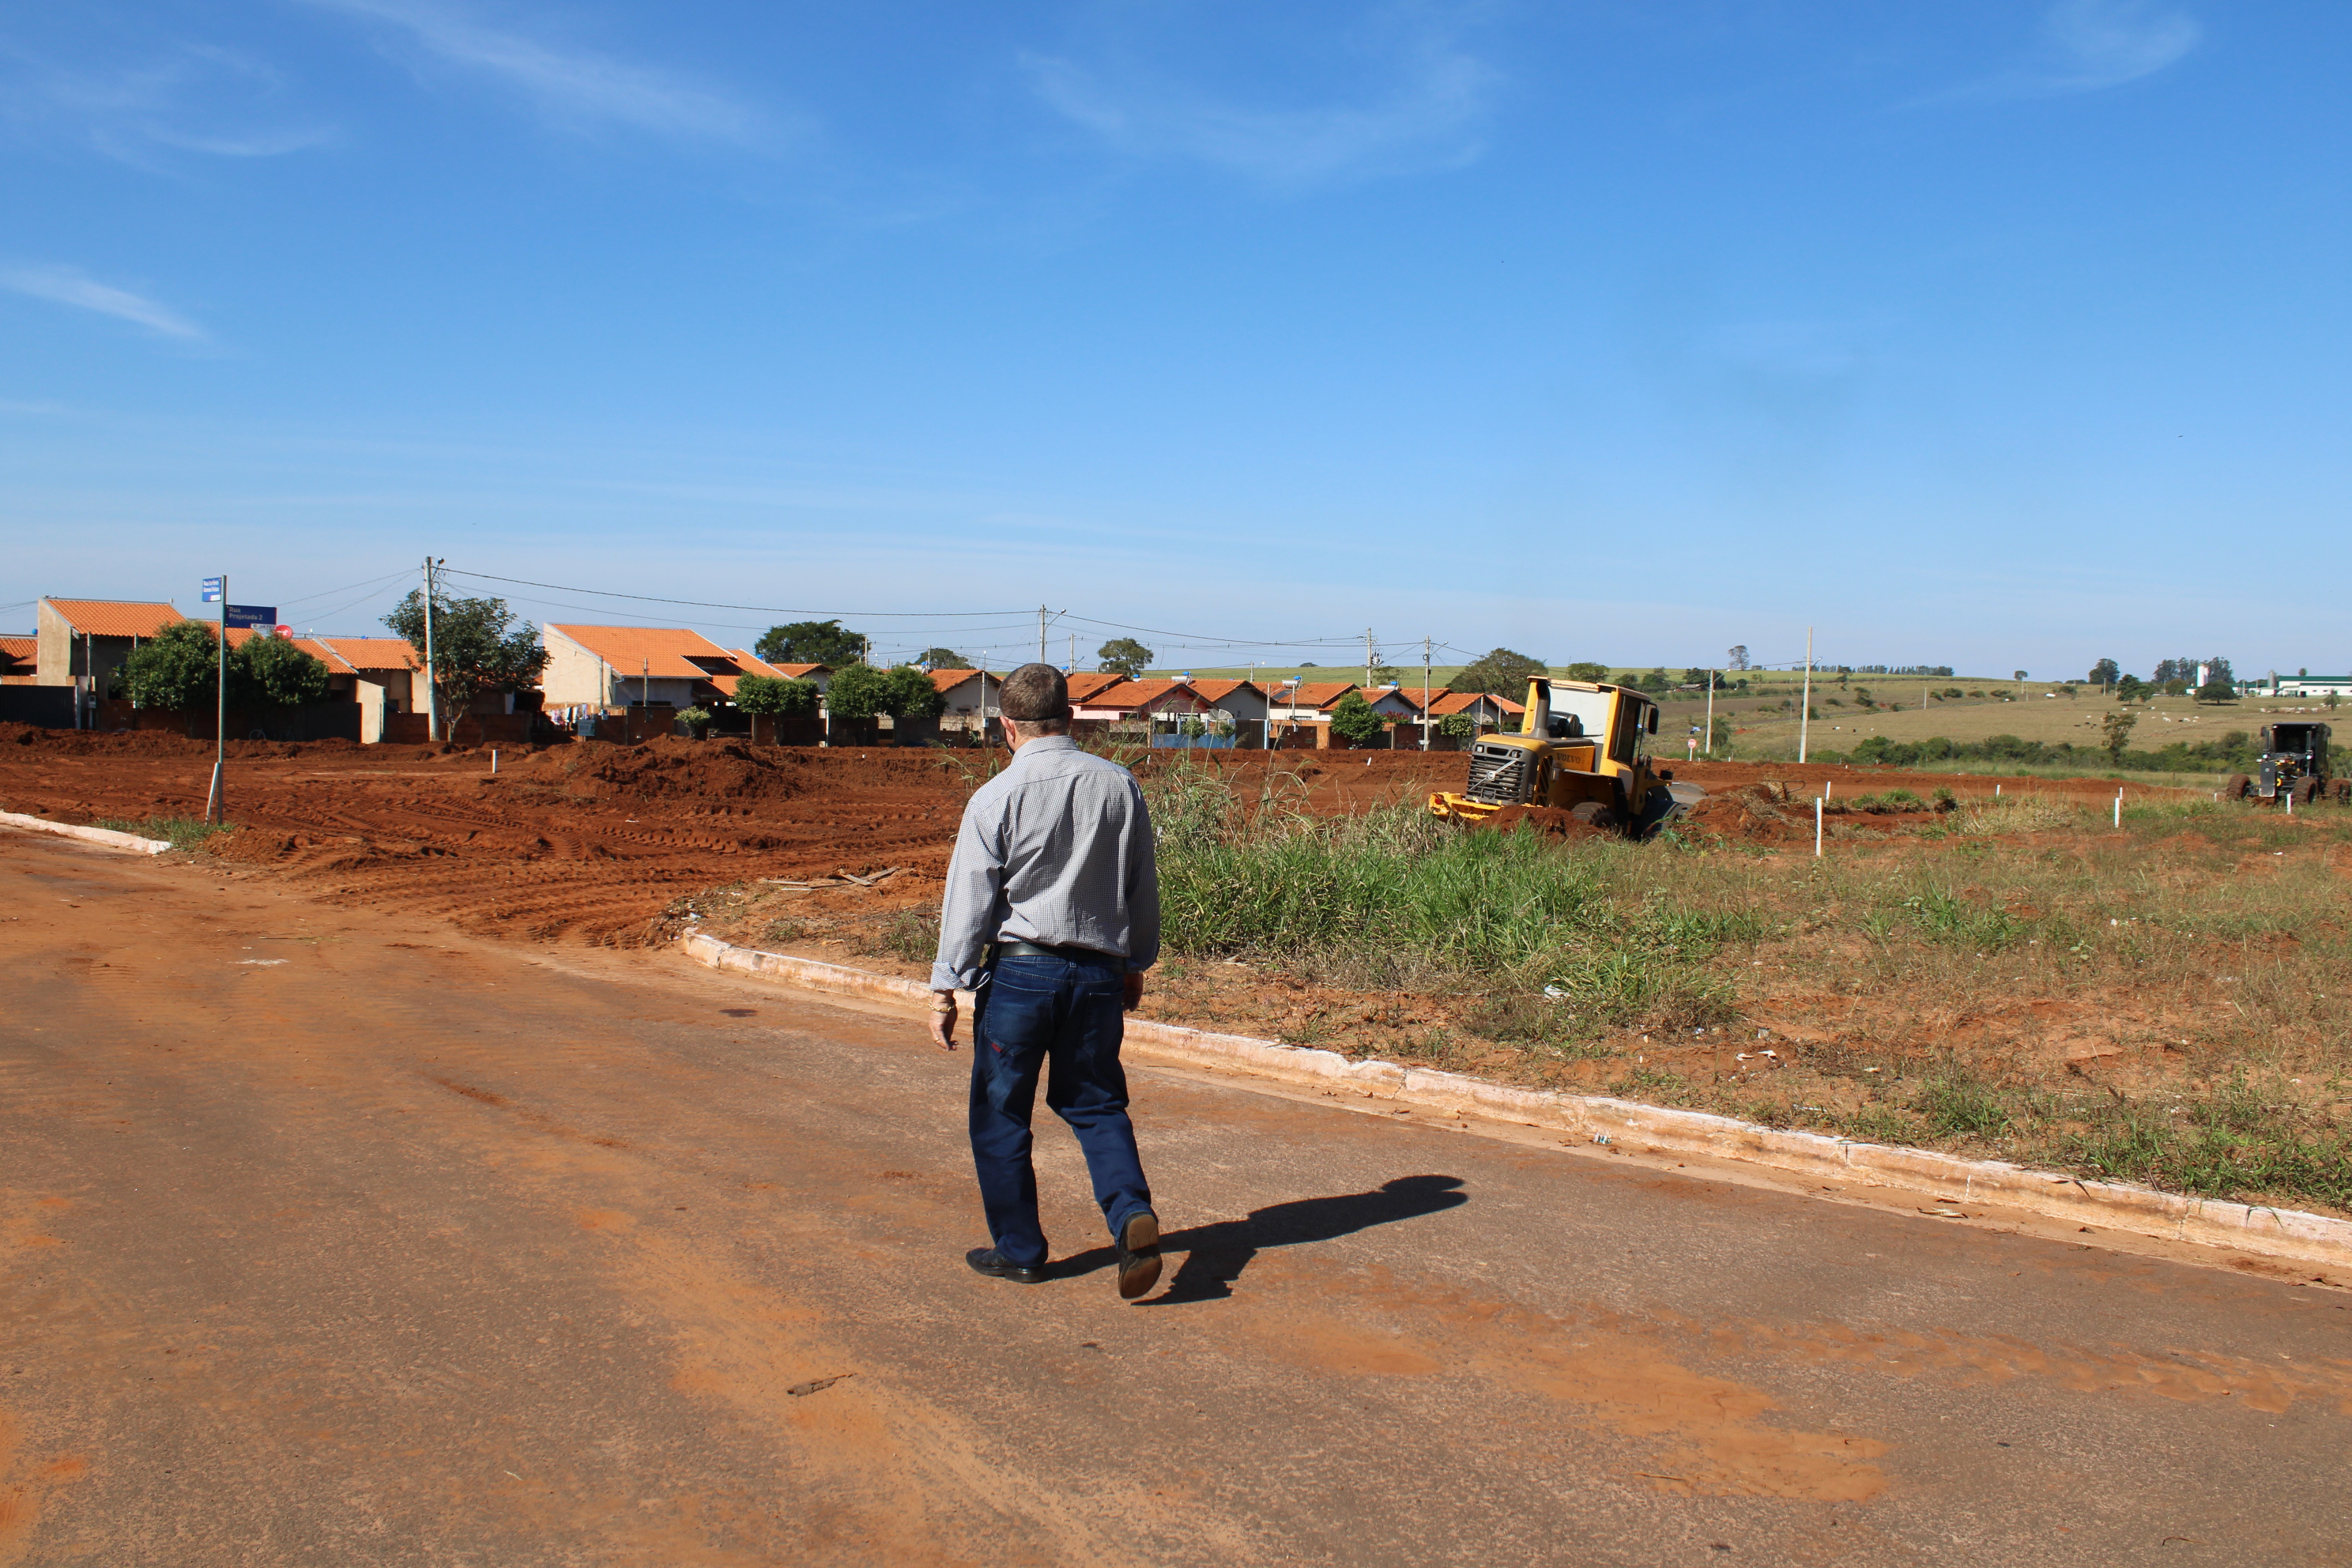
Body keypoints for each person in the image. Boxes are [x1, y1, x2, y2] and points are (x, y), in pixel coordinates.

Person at [928, 663, 1163, 1299]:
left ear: (1007, 726)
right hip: (1096, 976)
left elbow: (971, 899)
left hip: (1021, 977)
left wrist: (946, 987)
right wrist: (1135, 965)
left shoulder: (995, 797)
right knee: (1095, 1102)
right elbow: (1141, 887)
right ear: (1073, 715)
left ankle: (1021, 1251)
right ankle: (1129, 1213)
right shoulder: (1119, 786)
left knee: (1001, 1113)